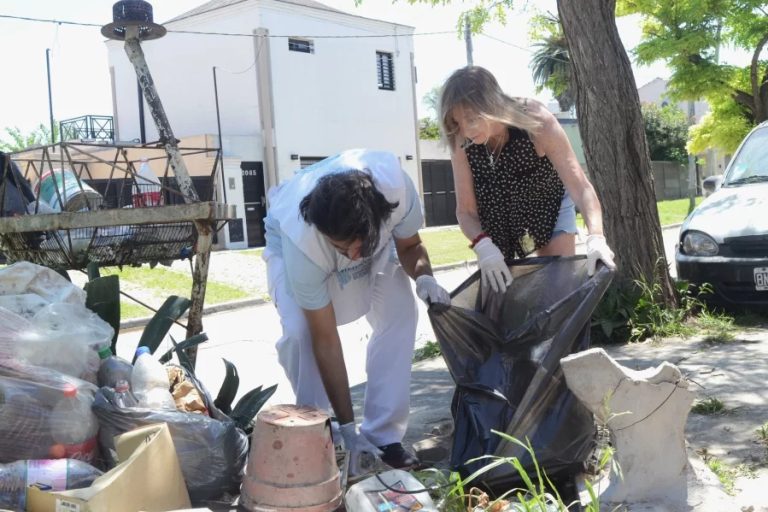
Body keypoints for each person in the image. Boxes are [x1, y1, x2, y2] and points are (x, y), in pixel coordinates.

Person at [262, 149, 451, 475]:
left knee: (400, 312)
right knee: (299, 333)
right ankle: (325, 434)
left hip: (376, 237)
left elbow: (409, 247)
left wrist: (424, 278)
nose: (351, 255)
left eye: (355, 245)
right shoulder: (303, 244)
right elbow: (326, 339)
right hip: (293, 247)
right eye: (341, 247)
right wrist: (348, 426)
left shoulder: (396, 191)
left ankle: (384, 438)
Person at [438, 66, 616, 292]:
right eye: (457, 123)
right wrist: (483, 246)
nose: (465, 131)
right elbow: (466, 211)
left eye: (471, 119)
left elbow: (580, 187)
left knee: (557, 287)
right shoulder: (461, 140)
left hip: (546, 205)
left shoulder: (534, 120)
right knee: (500, 293)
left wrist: (596, 237)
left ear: (491, 104)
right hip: (496, 215)